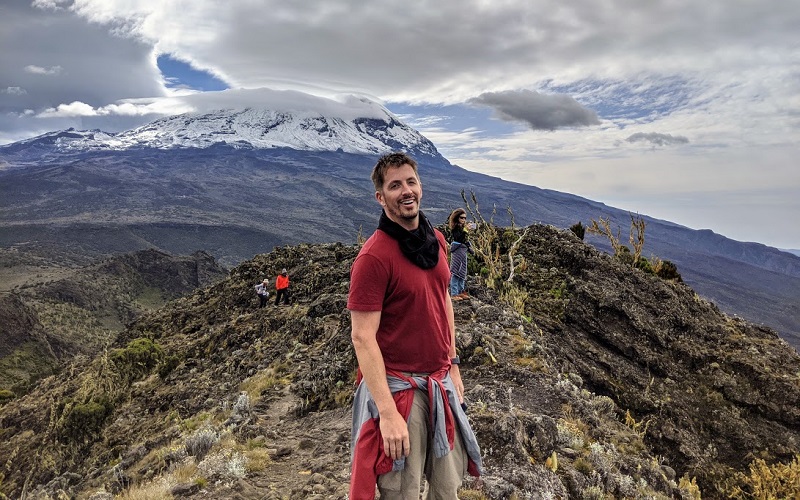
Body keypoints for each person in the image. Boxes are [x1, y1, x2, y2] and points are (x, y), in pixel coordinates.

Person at [348, 152, 481, 499]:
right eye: (395, 186)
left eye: (411, 182)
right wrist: (388, 413)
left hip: (439, 383)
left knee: (447, 488)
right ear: (381, 197)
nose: (406, 191)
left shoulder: (436, 240)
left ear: (420, 186)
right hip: (401, 393)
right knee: (402, 492)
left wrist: (452, 366)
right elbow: (362, 338)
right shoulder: (374, 257)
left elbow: (443, 301)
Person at [447, 208, 474, 301]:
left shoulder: (462, 228)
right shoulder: (455, 228)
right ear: (457, 218)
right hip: (457, 251)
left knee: (462, 271)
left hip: (463, 251)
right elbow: (458, 238)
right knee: (456, 272)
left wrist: (470, 248)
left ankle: (460, 291)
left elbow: (464, 240)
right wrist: (465, 230)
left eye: (465, 218)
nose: (464, 220)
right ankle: (454, 293)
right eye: (462, 218)